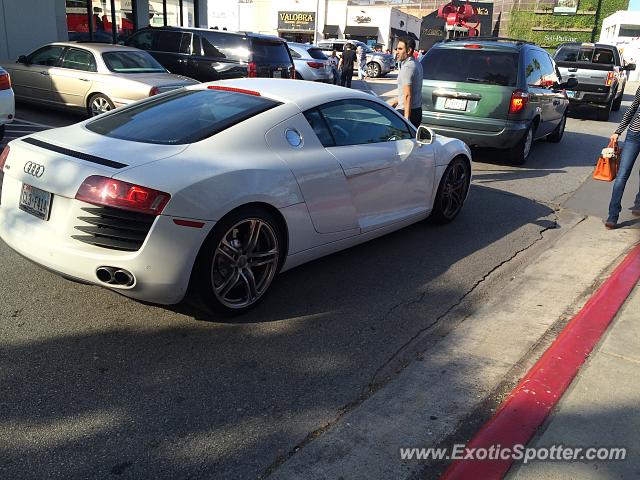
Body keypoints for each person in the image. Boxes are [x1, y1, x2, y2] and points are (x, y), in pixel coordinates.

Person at [605, 86, 640, 229]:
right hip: (634, 134)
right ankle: (612, 216)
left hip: (634, 133)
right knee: (622, 175)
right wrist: (618, 131)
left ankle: (638, 203)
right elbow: (633, 108)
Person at [387, 36, 423, 128]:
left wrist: (406, 119)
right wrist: (395, 101)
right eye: (396, 49)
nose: (397, 52)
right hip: (417, 110)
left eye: (400, 49)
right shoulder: (417, 64)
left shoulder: (407, 67)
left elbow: (407, 95)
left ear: (409, 50)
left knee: (391, 137)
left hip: (405, 111)